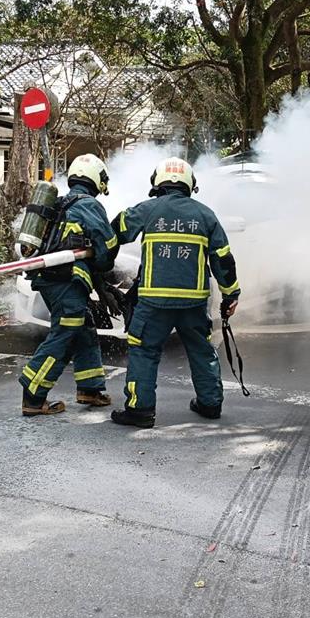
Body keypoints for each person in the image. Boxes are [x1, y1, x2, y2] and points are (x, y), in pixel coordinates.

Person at [109, 157, 240, 428]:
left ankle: (140, 411)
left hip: (154, 302)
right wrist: (231, 295)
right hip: (193, 304)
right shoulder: (205, 215)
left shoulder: (148, 209)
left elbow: (115, 230)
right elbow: (223, 260)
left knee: (144, 352)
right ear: (190, 184)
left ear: (158, 183)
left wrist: (97, 255)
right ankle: (210, 404)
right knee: (201, 351)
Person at [18, 154, 119, 416]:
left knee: (84, 328)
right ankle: (33, 394)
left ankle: (90, 388)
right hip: (67, 282)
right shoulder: (89, 205)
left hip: (50, 280)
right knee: (63, 335)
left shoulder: (61, 203)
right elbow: (107, 250)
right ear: (97, 180)